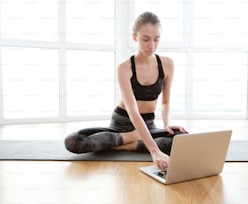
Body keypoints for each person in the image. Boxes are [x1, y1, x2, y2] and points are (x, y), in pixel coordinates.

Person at [64, 11, 188, 170]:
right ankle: (136, 139)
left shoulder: (168, 64)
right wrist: (154, 150)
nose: (152, 45)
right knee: (74, 141)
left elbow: (165, 103)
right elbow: (132, 111)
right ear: (135, 37)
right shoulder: (124, 68)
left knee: (182, 139)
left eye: (156, 39)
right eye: (146, 39)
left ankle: (121, 146)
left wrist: (167, 124)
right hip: (121, 126)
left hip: (148, 125)